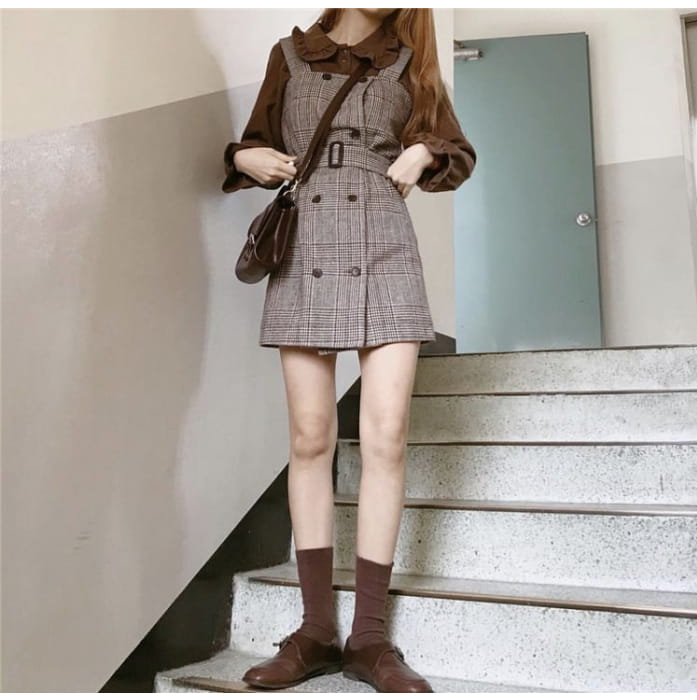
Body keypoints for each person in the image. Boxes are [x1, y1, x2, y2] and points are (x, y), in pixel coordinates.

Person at [222, 8, 476, 693]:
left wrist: (426, 151)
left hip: (386, 242)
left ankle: (368, 637)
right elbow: (254, 142)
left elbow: (458, 150)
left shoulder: (410, 58)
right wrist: (244, 157)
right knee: (310, 437)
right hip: (305, 243)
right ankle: (314, 631)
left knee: (386, 437)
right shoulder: (289, 54)